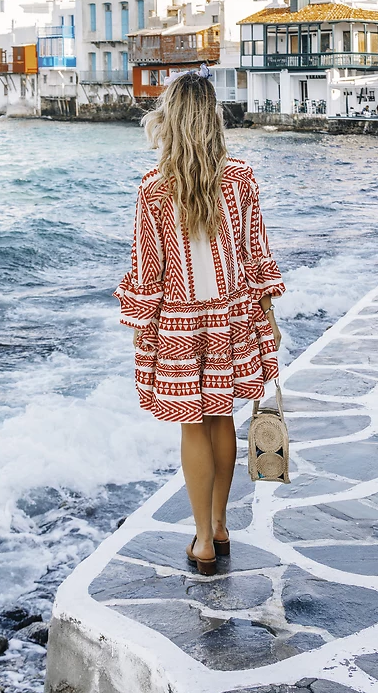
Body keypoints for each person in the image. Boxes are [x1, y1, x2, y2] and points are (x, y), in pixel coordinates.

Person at [115, 68, 284, 576]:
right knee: (221, 420)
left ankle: (203, 543)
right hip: (231, 315)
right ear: (212, 118)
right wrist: (266, 312)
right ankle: (220, 525)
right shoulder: (241, 176)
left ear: (170, 118)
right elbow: (256, 255)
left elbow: (150, 268)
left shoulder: (154, 187)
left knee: (193, 425)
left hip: (182, 324)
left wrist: (141, 320)